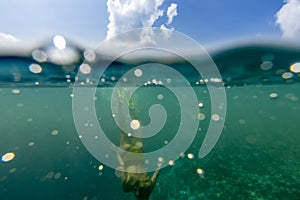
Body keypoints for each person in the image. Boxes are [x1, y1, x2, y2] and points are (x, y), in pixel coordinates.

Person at [115, 130, 161, 200]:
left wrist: (160, 164)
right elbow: (122, 166)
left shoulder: (149, 187)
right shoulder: (127, 187)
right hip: (127, 156)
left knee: (136, 131)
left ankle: (132, 119)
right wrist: (117, 154)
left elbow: (157, 173)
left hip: (138, 155)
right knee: (124, 132)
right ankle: (122, 119)